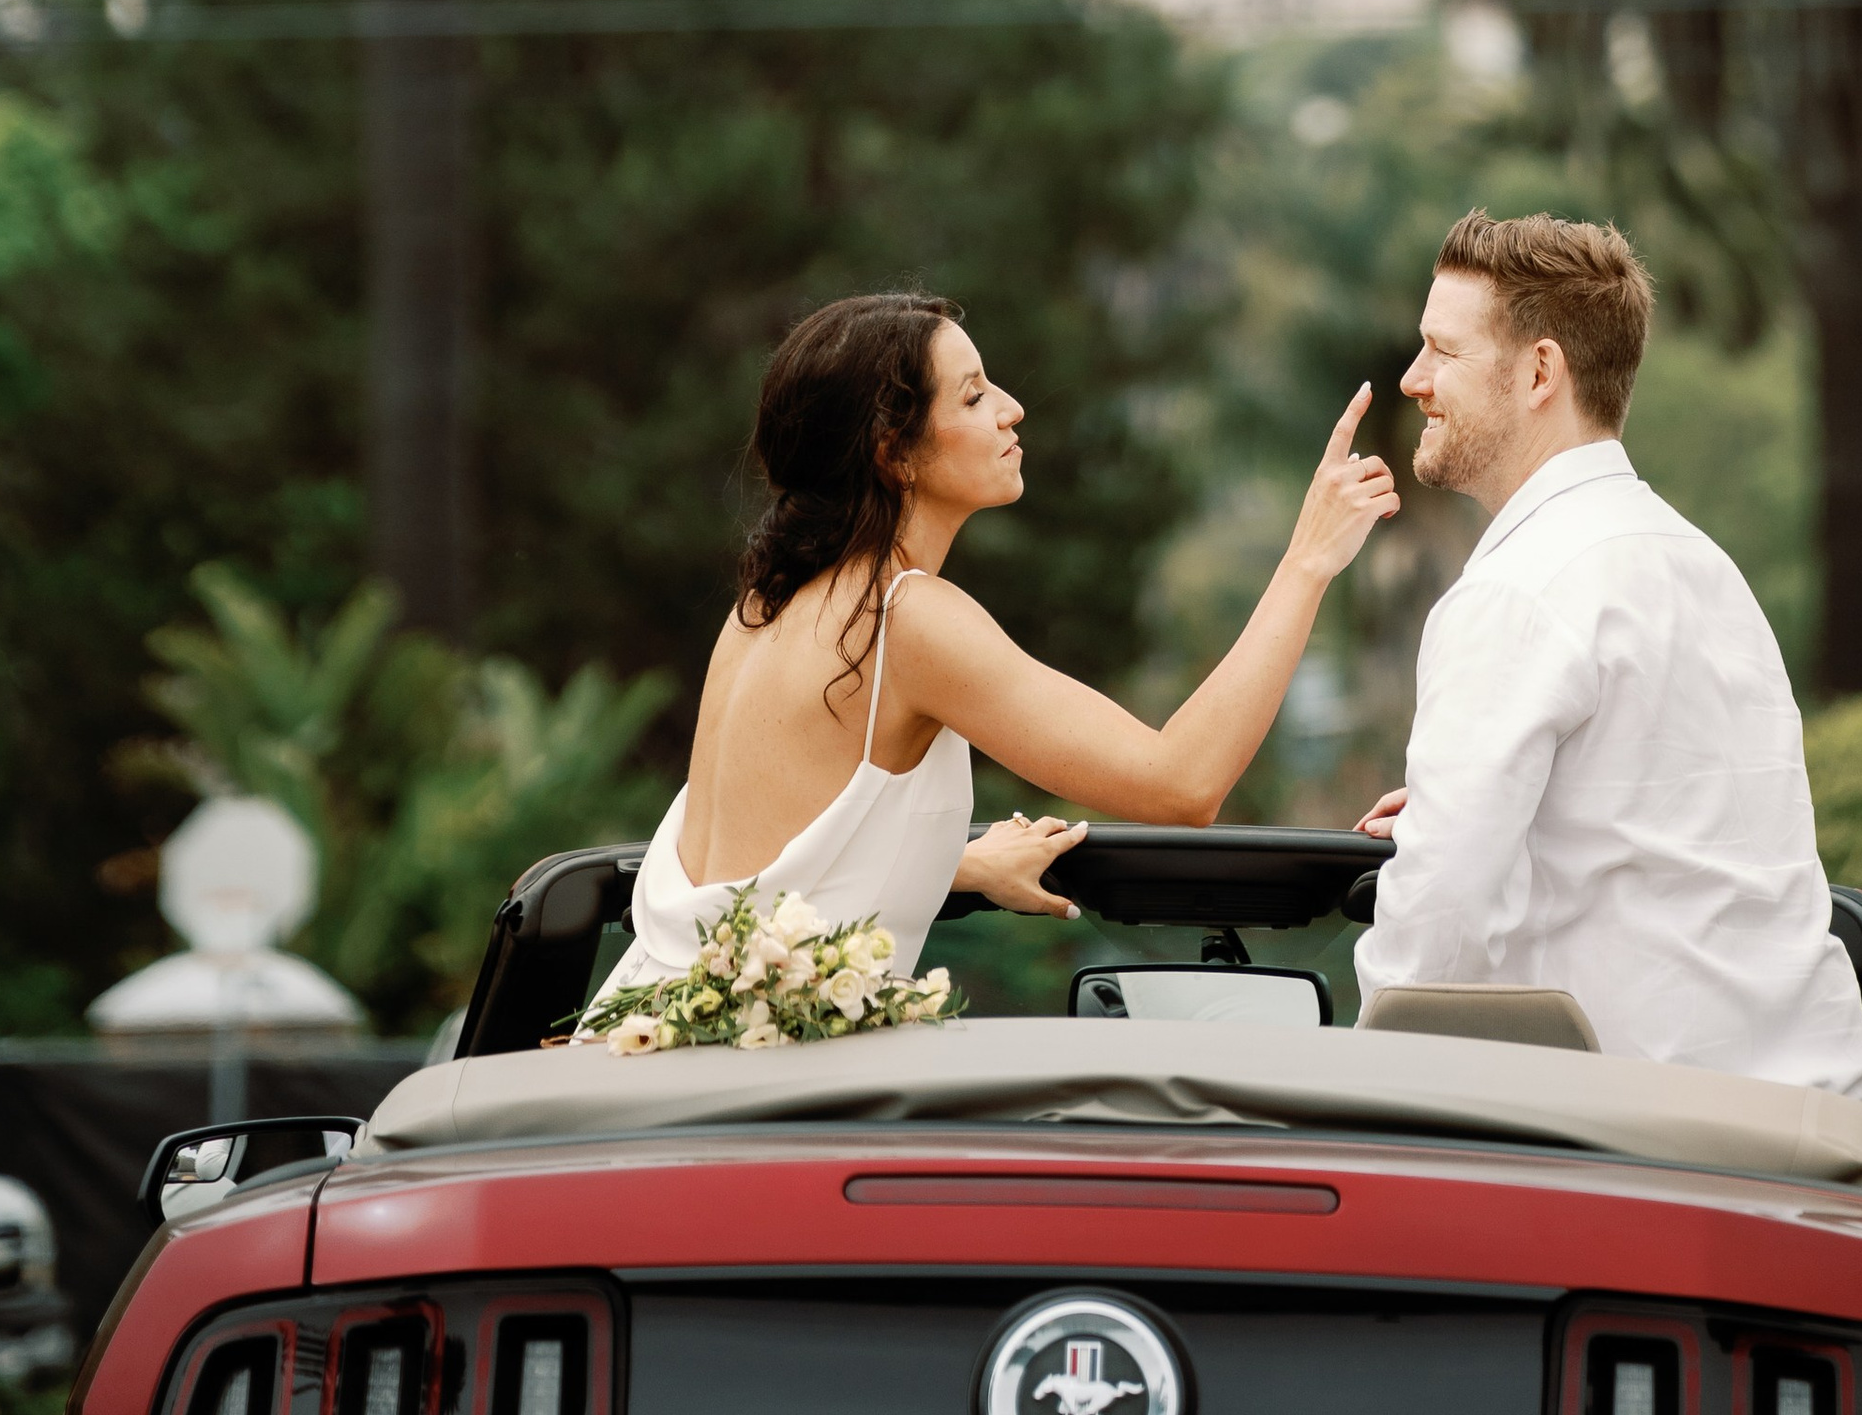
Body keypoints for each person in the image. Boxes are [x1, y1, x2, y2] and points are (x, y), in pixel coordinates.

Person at [596, 287, 1397, 1001]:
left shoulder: (764, 606)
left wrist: (955, 865)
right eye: (975, 396)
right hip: (739, 1090)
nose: (1012, 408)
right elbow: (1181, 786)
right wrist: (1308, 561)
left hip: (651, 1044)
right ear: (892, 451)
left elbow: (769, 865)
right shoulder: (906, 617)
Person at [1353, 210, 1862, 1098]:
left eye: (1442, 351)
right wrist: (1487, 810)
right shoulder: (1704, 568)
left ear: (1540, 371)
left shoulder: (1514, 592)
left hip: (1646, 1144)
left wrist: (1359, 1092)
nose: (1412, 380)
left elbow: (1437, 929)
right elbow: (1673, 829)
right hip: (1815, 1130)